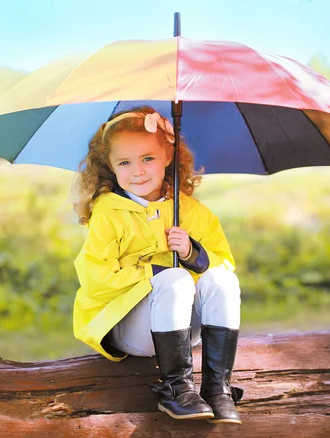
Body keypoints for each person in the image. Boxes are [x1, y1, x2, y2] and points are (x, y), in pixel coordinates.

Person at [71, 106, 243, 424]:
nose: (137, 170)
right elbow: (96, 278)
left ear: (168, 156)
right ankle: (177, 390)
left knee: (223, 281)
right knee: (174, 279)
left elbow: (224, 264)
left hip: (181, 330)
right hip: (128, 326)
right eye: (124, 162)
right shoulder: (108, 214)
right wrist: (156, 273)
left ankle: (217, 390)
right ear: (109, 166)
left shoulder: (191, 211)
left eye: (148, 158)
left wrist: (192, 253)